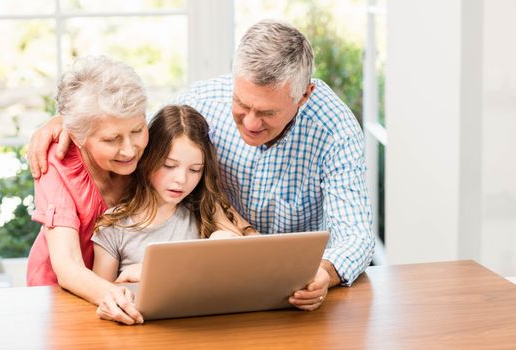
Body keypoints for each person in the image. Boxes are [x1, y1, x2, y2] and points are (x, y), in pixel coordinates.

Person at [28, 20, 375, 311]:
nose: (251, 122)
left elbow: (357, 236)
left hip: (287, 288)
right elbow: (130, 124)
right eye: (241, 103)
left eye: (268, 113)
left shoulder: (335, 129)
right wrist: (64, 121)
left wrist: (324, 273)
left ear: (304, 95)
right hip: (75, 295)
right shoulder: (203, 101)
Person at [26, 55, 148, 325]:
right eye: (111, 139)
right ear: (78, 136)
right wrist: (112, 294)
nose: (129, 150)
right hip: (58, 297)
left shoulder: (151, 152)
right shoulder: (56, 162)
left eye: (137, 130)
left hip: (127, 292)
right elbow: (67, 265)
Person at [92, 105, 254, 294]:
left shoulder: (203, 211)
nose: (181, 180)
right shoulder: (114, 225)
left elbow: (246, 268)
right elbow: (99, 299)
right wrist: (124, 282)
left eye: (194, 170)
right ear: (148, 158)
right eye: (169, 165)